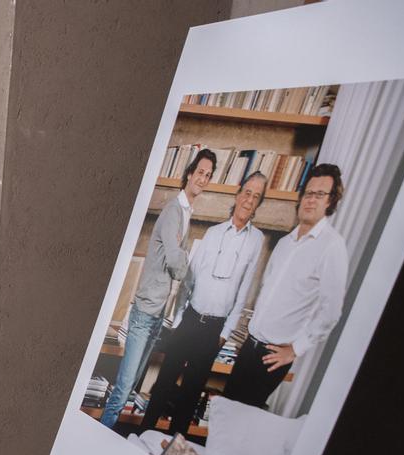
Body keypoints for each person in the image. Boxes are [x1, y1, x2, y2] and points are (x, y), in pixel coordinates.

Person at [140, 171, 267, 434]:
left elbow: (244, 289)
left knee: (190, 393)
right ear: (238, 194)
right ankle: (141, 436)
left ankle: (171, 452)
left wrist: (225, 333)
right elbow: (189, 279)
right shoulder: (213, 233)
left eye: (256, 196)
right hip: (189, 320)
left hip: (214, 329)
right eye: (247, 192)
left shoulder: (256, 241)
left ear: (258, 203)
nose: (249, 200)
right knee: (164, 382)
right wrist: (177, 320)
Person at [100, 149, 215, 427]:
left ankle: (107, 437)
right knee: (123, 388)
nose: (203, 178)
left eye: (208, 175)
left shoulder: (187, 213)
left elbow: (177, 259)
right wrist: (183, 256)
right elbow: (177, 265)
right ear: (189, 173)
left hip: (156, 315)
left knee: (131, 387)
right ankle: (98, 435)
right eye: (200, 172)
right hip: (144, 313)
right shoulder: (174, 211)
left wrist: (180, 253)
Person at [223, 163, 349, 408]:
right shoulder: (285, 243)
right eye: (309, 193)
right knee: (223, 414)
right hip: (249, 345)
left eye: (320, 194)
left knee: (240, 425)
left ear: (330, 202)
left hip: (273, 355)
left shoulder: (332, 247)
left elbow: (331, 311)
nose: (311, 200)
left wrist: (295, 349)